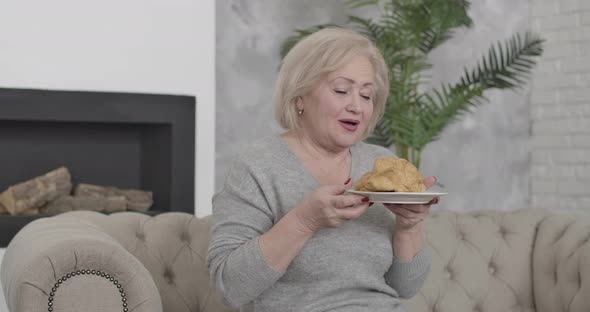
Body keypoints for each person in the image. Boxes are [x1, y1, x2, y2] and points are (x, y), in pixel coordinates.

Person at [207, 27, 437, 312]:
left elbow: (406, 287)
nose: (357, 106)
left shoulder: (380, 166)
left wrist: (408, 226)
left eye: (366, 95)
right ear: (300, 95)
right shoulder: (258, 167)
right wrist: (304, 221)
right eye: (342, 90)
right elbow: (229, 287)